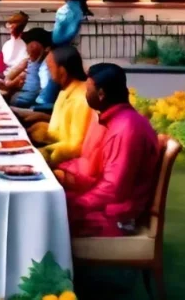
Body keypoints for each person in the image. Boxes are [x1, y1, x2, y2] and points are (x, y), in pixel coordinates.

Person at [56, 62, 162, 238]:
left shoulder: (126, 128)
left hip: (116, 218)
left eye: (87, 89)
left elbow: (113, 190)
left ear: (101, 94)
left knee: (46, 214)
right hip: (108, 207)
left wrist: (74, 203)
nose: (85, 93)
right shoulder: (116, 121)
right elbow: (96, 170)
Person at [25, 45, 93, 166]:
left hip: (69, 164)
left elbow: (75, 146)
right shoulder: (64, 91)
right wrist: (35, 131)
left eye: (50, 67)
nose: (49, 73)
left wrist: (43, 154)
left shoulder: (81, 100)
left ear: (62, 71)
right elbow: (60, 132)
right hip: (56, 149)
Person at [34, 0, 85, 110]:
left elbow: (58, 31)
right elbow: (72, 30)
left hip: (60, 43)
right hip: (68, 44)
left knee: (50, 70)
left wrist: (56, 41)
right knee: (58, 70)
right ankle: (46, 95)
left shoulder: (64, 10)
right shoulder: (78, 11)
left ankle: (45, 96)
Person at [6, 28, 52, 107]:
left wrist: (11, 82)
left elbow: (9, 77)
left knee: (11, 99)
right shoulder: (47, 61)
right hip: (36, 98)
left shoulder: (31, 62)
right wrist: (15, 81)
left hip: (25, 98)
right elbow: (8, 78)